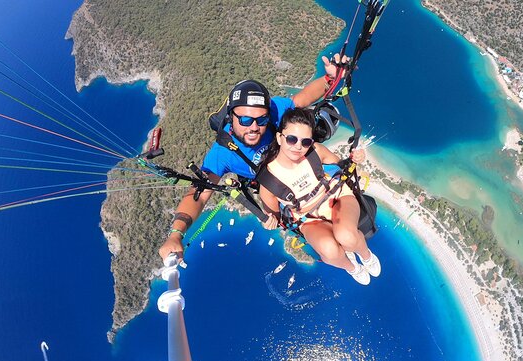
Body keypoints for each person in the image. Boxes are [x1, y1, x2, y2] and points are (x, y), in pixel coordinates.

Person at [159, 55, 347, 260]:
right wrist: (176, 234)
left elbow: (301, 100)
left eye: (261, 120)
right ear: (231, 117)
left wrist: (329, 79)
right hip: (279, 191)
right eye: (246, 120)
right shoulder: (223, 153)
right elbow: (199, 193)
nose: (254, 127)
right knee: (324, 235)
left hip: (303, 169)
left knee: (344, 202)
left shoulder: (273, 110)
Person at [257, 108, 380, 285]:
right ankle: (352, 267)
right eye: (291, 139)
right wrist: (268, 222)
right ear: (279, 138)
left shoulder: (315, 151)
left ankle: (366, 256)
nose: (298, 147)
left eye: (305, 141)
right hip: (308, 219)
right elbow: (274, 216)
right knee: (329, 251)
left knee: (347, 237)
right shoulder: (269, 180)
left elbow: (341, 165)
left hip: (336, 197)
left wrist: (355, 157)